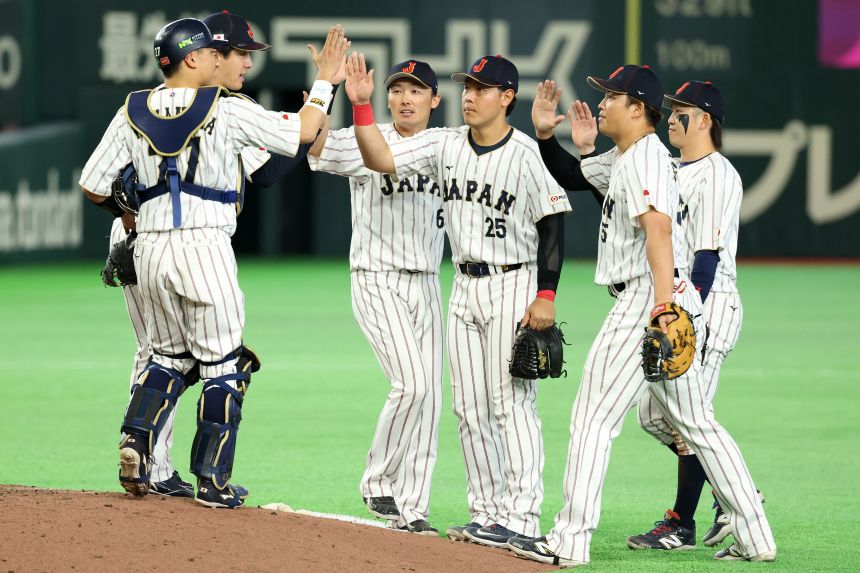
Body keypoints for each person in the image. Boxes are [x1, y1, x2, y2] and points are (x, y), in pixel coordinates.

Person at [506, 66, 776, 565]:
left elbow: (659, 232)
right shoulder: (635, 156)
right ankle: (756, 537)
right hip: (663, 296)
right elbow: (572, 175)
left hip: (647, 299)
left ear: (637, 108)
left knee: (593, 418)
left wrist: (660, 306)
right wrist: (547, 134)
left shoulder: (650, 158)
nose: (601, 104)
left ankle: (570, 539)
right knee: (696, 423)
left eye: (611, 97)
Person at [81, 17, 349, 508]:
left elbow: (94, 185)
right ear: (192, 59)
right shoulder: (224, 109)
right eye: (209, 51)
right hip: (204, 246)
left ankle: (136, 443)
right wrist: (326, 81)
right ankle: (212, 480)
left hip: (150, 247)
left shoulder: (131, 110)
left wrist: (131, 212)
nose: (219, 57)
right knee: (225, 365)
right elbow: (306, 129)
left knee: (165, 356)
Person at [344, 52, 572, 547]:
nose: (470, 95)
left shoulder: (526, 154)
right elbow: (380, 159)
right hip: (463, 287)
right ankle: (488, 513)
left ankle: (524, 516)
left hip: (514, 282)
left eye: (481, 88)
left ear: (507, 98)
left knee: (510, 404)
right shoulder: (444, 144)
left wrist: (547, 294)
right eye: (466, 87)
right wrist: (362, 107)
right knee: (468, 409)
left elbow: (553, 222)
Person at [306, 60, 444, 535]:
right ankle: (378, 479)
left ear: (434, 100)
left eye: (417, 90)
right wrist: (326, 85)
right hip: (376, 277)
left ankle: (413, 508)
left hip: (427, 282)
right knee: (413, 384)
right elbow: (315, 143)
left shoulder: (448, 146)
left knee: (429, 401)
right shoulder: (362, 135)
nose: (406, 97)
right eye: (398, 89)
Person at [627, 80, 762, 553]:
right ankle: (730, 491)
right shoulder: (668, 168)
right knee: (652, 414)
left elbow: (707, 256)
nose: (671, 118)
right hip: (681, 304)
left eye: (680, 111)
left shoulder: (719, 175)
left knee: (692, 419)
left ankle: (682, 522)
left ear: (704, 121)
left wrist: (685, 313)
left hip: (709, 304)